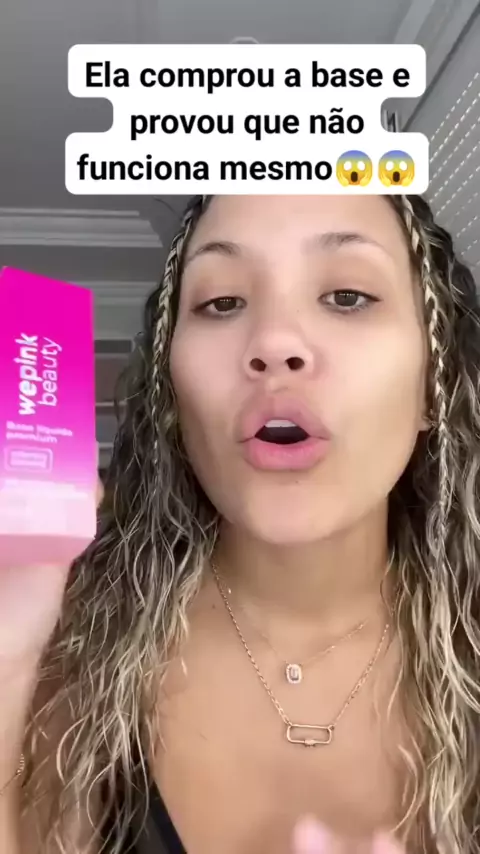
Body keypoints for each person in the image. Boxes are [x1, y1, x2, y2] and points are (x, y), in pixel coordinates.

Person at [1, 191, 480, 854]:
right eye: (223, 302)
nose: (274, 343)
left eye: (347, 296)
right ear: (172, 396)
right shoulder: (65, 657)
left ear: (434, 385)